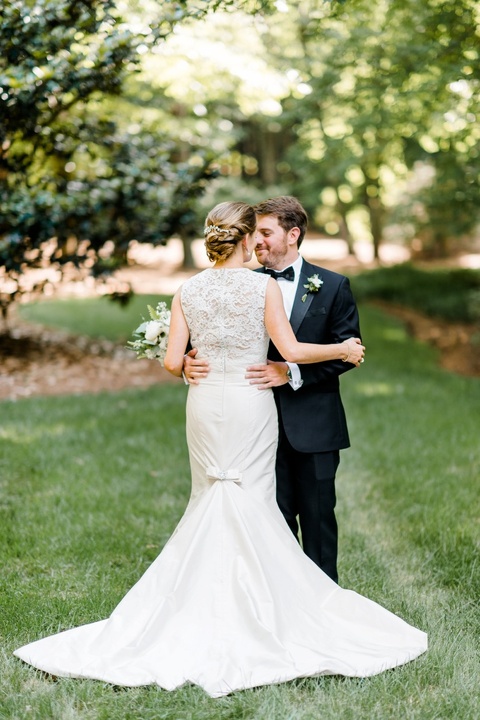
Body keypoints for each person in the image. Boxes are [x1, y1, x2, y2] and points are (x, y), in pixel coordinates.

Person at [14, 202, 426, 698]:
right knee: (250, 499)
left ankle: (204, 606)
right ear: (249, 239)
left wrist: (189, 365)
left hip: (207, 403)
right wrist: (343, 349)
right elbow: (292, 350)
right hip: (252, 402)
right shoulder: (263, 286)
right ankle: (267, 611)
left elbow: (171, 362)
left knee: (210, 496)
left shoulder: (187, 288)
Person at [185, 196, 360, 583]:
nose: (257, 241)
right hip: (250, 426)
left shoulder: (332, 286)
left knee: (317, 519)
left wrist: (291, 373)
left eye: (266, 232)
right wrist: (185, 361)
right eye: (255, 233)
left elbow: (348, 351)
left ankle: (323, 603)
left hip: (313, 423)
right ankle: (272, 600)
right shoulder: (239, 284)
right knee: (264, 520)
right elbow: (200, 340)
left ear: (293, 234)